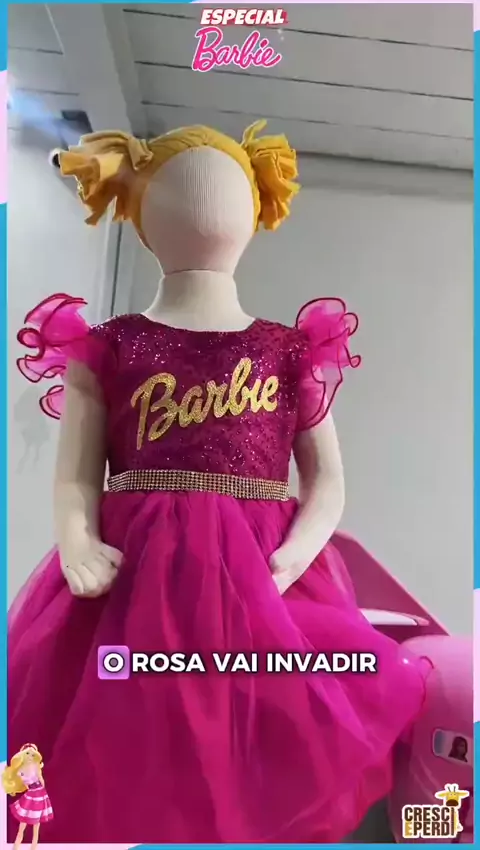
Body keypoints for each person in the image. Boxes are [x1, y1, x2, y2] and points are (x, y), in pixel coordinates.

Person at [9, 122, 429, 843]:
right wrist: (76, 540)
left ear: (257, 206)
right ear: (138, 208)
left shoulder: (289, 350)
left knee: (258, 734)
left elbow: (327, 481)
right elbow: (76, 474)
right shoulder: (109, 345)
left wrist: (296, 554)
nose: (205, 207)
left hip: (262, 578)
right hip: (131, 577)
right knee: (126, 736)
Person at [2, 744, 53, 850]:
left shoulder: (29, 768)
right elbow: (38, 782)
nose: (30, 756)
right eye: (27, 754)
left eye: (32, 754)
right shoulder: (22, 770)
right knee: (26, 823)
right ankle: (18, 846)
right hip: (35, 794)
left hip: (37, 794)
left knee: (34, 825)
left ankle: (29, 847)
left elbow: (37, 781)